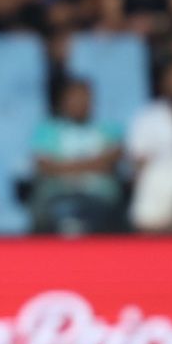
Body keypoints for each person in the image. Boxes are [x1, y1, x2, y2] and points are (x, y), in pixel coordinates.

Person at [29, 79, 124, 234]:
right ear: (63, 101)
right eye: (74, 98)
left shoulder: (108, 129)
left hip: (98, 192)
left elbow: (111, 161)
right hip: (57, 190)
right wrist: (91, 165)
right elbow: (43, 165)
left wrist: (63, 166)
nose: (79, 102)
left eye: (84, 97)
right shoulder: (48, 129)